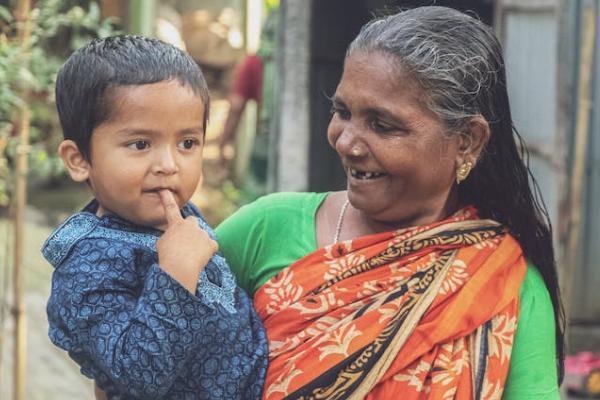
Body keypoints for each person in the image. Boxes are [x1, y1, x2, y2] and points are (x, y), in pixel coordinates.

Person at [217, 6, 564, 399]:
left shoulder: (504, 282)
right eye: (342, 112)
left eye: (383, 125)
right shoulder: (264, 230)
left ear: (467, 141)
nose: (345, 142)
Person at [41, 35, 267, 400]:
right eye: (140, 144)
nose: (169, 166)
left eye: (188, 143)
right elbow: (139, 374)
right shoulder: (87, 269)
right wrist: (175, 274)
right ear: (79, 159)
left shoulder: (177, 213)